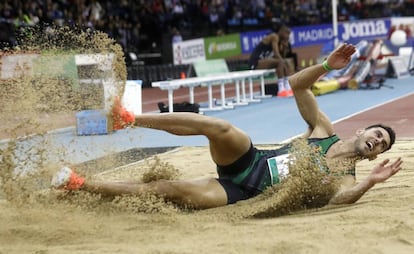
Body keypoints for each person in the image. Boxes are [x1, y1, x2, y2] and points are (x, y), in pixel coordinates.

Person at [51, 43, 402, 210]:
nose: (377, 141)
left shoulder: (347, 178)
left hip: (243, 193)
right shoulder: (324, 131)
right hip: (249, 162)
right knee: (219, 126)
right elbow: (297, 84)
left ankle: (81, 185)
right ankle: (129, 118)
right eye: (377, 134)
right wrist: (326, 64)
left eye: (382, 144)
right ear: (361, 131)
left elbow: (341, 200)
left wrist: (369, 184)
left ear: (375, 157)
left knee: (170, 189)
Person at [248, 24, 295, 97]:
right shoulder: (274, 37)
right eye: (287, 33)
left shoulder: (281, 42)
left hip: (264, 62)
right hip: (255, 62)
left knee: (284, 61)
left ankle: (287, 86)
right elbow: (276, 54)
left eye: (289, 34)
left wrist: (285, 47)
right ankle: (281, 89)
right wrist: (284, 64)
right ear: (281, 31)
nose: (288, 36)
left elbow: (282, 57)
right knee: (280, 62)